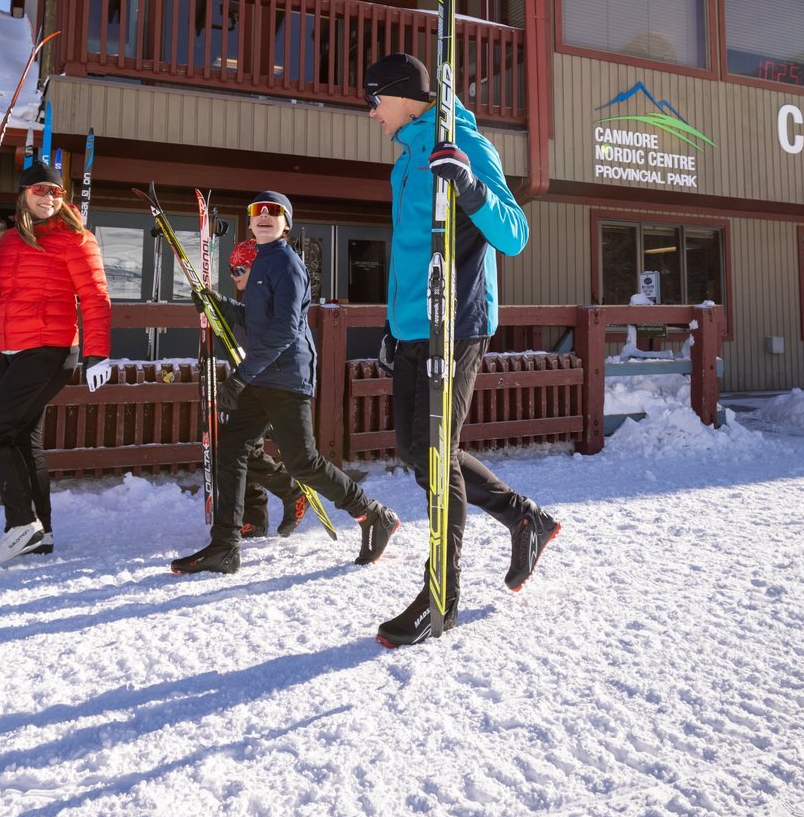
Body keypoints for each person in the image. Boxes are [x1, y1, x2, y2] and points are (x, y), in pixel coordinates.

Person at [362, 52, 562, 646]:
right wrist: (394, 326)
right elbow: (410, 255)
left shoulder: (466, 145)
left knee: (435, 452)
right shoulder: (405, 161)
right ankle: (524, 518)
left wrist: (470, 187)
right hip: (412, 326)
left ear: (402, 95)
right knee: (417, 451)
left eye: (374, 98)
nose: (370, 111)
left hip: (457, 323)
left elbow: (515, 233)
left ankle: (441, 596)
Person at [171, 190, 399, 574]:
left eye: (273, 212)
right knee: (232, 449)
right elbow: (256, 322)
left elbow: (283, 332)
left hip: (286, 375)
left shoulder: (287, 264)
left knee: (302, 461)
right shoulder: (261, 263)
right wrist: (218, 304)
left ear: (286, 223)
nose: (263, 216)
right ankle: (225, 545)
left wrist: (240, 379)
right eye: (257, 211)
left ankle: (373, 515)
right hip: (264, 374)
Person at [0, 157, 113, 568]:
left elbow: (96, 297)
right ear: (24, 194)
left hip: (50, 350)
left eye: (56, 191)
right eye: (40, 189)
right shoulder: (9, 242)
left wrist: (98, 352)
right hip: (13, 350)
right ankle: (40, 534)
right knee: (24, 441)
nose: (48, 197)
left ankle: (21, 524)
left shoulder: (76, 239)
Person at [224, 239, 309, 539]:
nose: (234, 275)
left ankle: (291, 491)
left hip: (273, 382)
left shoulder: (268, 298)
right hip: (254, 380)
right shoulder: (249, 301)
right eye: (231, 269)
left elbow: (279, 338)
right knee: (241, 447)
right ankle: (256, 516)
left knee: (243, 448)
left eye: (240, 268)